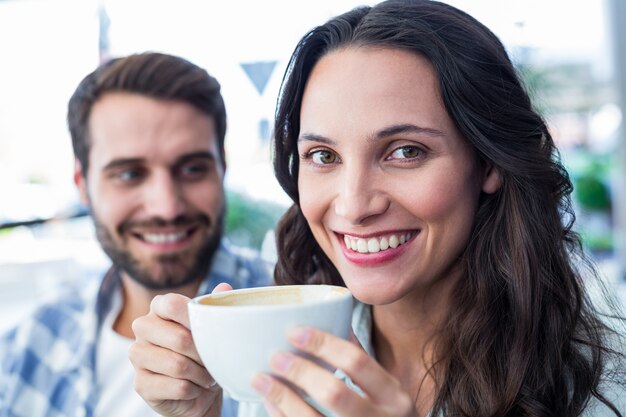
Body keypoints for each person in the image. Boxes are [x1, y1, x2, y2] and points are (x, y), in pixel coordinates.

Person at [130, 1, 626, 416]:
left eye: (405, 151)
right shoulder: (281, 355)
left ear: (489, 162)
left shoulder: (606, 376)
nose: (353, 204)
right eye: (323, 156)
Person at [0, 52, 273, 417]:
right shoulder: (26, 347)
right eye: (129, 174)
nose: (166, 207)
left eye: (192, 168)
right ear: (83, 184)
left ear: (222, 168)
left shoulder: (302, 320)